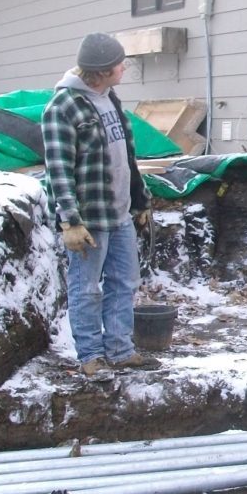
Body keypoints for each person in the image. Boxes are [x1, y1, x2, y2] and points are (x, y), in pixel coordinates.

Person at [42, 32, 154, 375]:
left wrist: (140, 199)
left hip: (119, 214)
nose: (124, 68)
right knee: (86, 289)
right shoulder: (62, 108)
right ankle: (90, 356)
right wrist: (69, 221)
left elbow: (126, 157)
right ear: (103, 70)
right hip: (88, 220)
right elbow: (58, 170)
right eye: (120, 64)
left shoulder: (109, 98)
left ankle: (120, 349)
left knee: (124, 284)